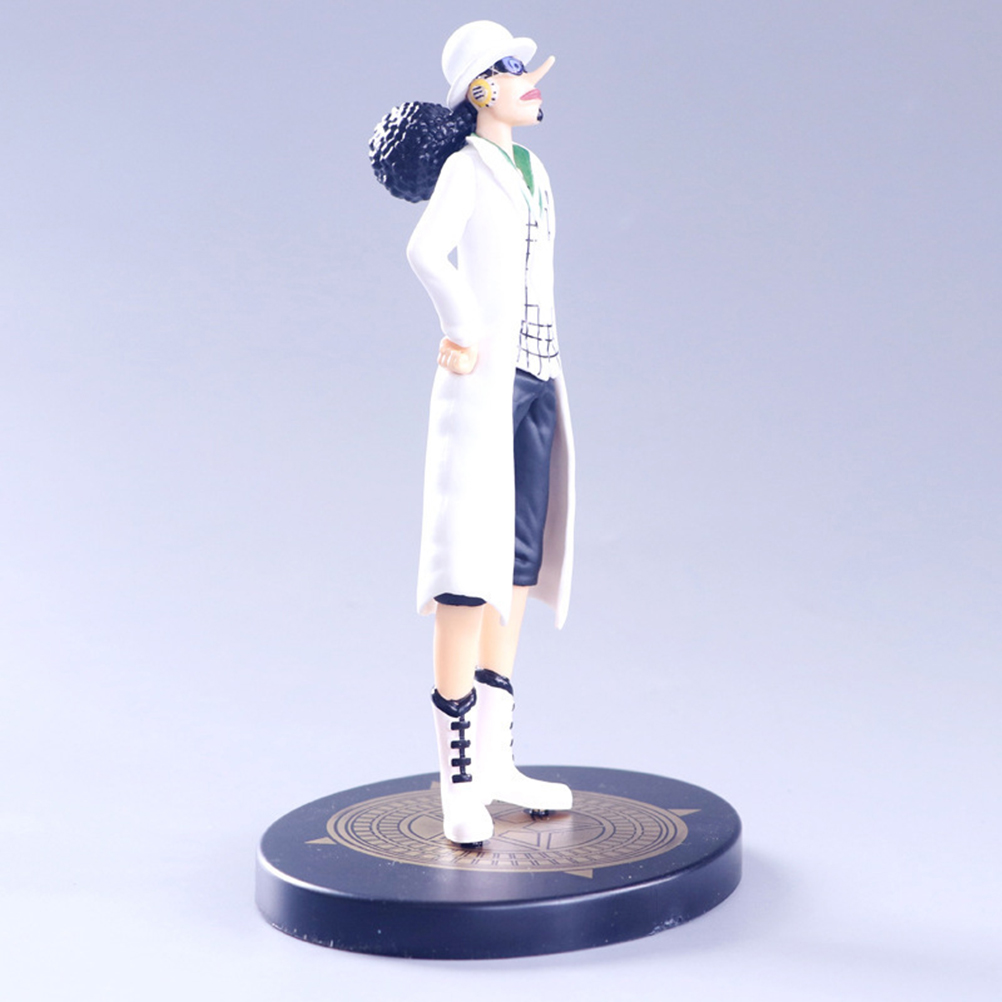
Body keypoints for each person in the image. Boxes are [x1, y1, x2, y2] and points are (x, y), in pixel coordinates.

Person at [371, 21, 575, 845]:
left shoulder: (536, 171)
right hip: (485, 385)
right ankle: (459, 782)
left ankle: (496, 762)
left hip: (539, 378)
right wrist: (464, 327)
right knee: (465, 576)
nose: (532, 80)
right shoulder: (465, 168)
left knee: (520, 564)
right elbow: (426, 251)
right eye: (515, 69)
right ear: (482, 89)